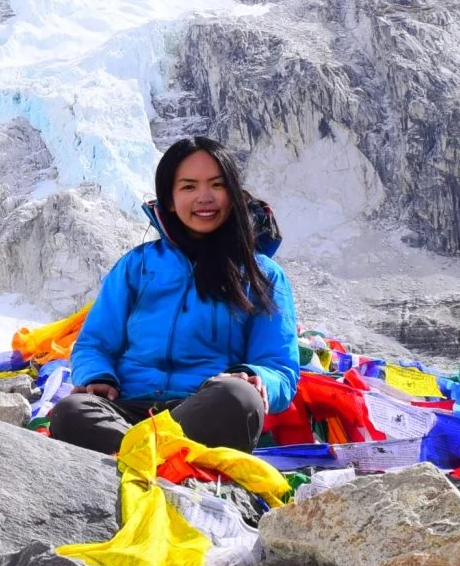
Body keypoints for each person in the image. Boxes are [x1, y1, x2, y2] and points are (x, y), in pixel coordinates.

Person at [50, 136, 299, 455]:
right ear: (169, 199)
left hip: (204, 409)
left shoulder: (262, 274)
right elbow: (94, 343)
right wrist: (98, 377)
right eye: (189, 187)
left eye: (217, 185)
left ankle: (134, 457)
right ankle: (165, 459)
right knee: (71, 411)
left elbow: (280, 368)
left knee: (239, 398)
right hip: (127, 408)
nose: (205, 197)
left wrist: (257, 379)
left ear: (233, 194)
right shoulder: (137, 266)